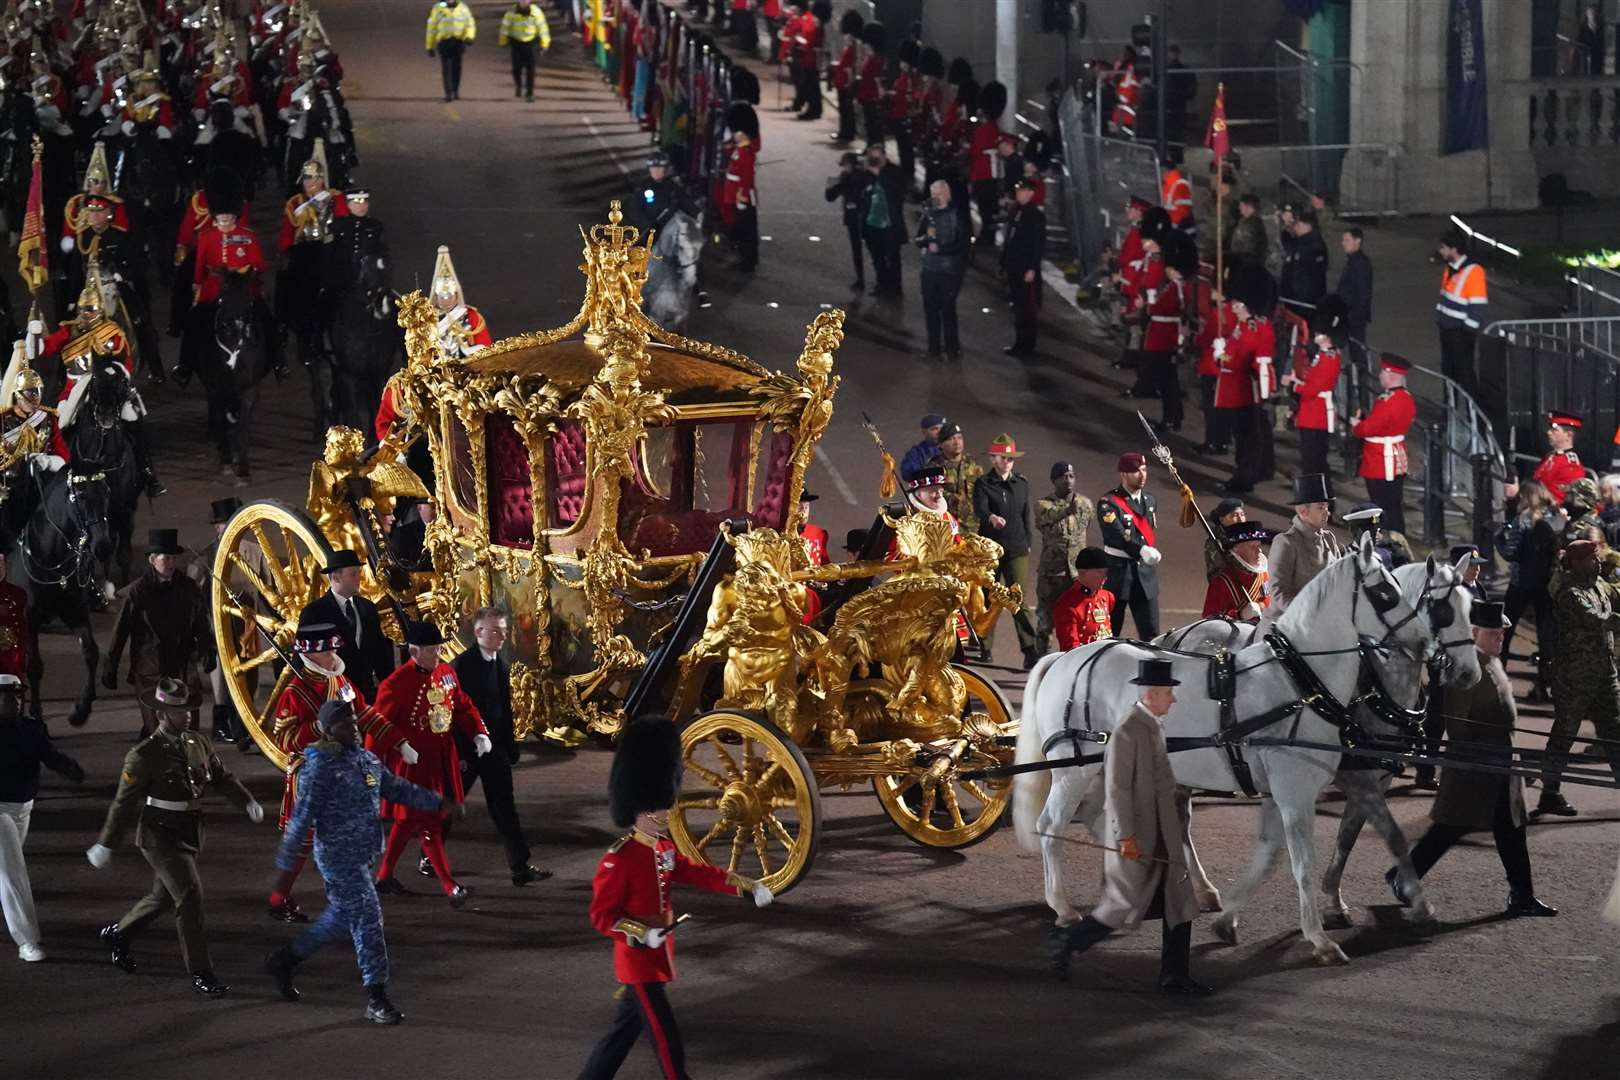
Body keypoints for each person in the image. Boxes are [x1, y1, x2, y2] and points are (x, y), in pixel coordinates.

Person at [577, 718, 773, 1080]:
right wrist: (640, 934)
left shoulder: (662, 848)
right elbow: (602, 916)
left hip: (656, 957)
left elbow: (695, 872)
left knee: (621, 1036)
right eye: (657, 809)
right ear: (638, 810)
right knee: (667, 1041)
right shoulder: (617, 858)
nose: (666, 813)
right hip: (638, 962)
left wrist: (744, 886)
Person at [266, 698, 450, 1024]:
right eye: (345, 724)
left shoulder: (365, 760)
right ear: (327, 730)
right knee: (369, 920)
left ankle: (284, 961)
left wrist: (438, 802)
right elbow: (301, 818)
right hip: (338, 859)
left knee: (339, 919)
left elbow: (396, 789)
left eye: (354, 721)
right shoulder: (319, 769)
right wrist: (284, 868)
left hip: (362, 854)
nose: (354, 728)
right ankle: (376, 998)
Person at [87, 678, 263, 997]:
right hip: (159, 836)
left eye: (190, 710)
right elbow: (124, 802)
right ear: (162, 714)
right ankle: (201, 971)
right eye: (181, 711)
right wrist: (106, 843)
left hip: (190, 831)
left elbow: (221, 777)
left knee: (163, 896)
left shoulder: (197, 742)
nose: (189, 716)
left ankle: (120, 933)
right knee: (190, 895)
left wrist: (246, 800)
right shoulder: (144, 754)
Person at [1049, 658, 1210, 995]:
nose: (1174, 700)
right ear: (1152, 694)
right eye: (1169, 693)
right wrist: (1126, 837)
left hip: (1162, 832)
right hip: (1138, 835)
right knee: (1118, 907)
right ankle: (1067, 943)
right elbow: (1118, 789)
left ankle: (1174, 976)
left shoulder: (1151, 725)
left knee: (1179, 903)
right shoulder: (1128, 730)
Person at [1389, 601, 1557, 917]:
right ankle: (1403, 875)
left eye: (1502, 633)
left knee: (1511, 829)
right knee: (1449, 829)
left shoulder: (1491, 660)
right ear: (1474, 632)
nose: (1500, 638)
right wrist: (1478, 761)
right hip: (1476, 767)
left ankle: (1522, 895)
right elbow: (1457, 724)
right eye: (1493, 633)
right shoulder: (1467, 668)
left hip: (1501, 762)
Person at [266, 624, 414, 923]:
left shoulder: (342, 682)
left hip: (343, 773)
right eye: (327, 650)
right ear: (310, 654)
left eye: (333, 648)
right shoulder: (294, 692)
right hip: (311, 774)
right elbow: (284, 740)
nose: (333, 653)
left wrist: (398, 741)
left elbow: (365, 713)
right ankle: (278, 897)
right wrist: (317, 729)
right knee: (303, 843)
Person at [372, 622, 492, 906]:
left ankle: (384, 876)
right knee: (429, 823)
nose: (438, 653)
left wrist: (479, 731)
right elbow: (377, 728)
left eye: (439, 647)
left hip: (440, 761)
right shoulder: (395, 685)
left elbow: (463, 705)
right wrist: (376, 766)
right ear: (414, 651)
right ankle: (450, 887)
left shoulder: (447, 673)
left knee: (408, 820)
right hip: (412, 765)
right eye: (431, 649)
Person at [446, 607, 548, 886]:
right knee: (449, 802)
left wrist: (510, 746)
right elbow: (451, 715)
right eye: (495, 630)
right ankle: (428, 857)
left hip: (495, 749)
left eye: (503, 630)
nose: (501, 635)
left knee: (505, 807)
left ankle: (520, 866)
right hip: (467, 751)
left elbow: (504, 710)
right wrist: (461, 755)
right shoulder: (460, 667)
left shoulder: (501, 664)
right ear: (478, 632)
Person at [0, 674, 83, 963]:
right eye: (8, 696)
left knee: (6, 867)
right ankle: (27, 940)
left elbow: (50, 756)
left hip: (23, 808)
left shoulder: (31, 729)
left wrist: (70, 768)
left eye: (18, 695)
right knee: (12, 872)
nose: (16, 700)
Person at [1536, 540, 1620, 817]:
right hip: (1575, 678)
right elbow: (1599, 620)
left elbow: (1615, 593)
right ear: (1576, 563)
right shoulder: (1570, 594)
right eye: (1592, 559)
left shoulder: (1598, 585)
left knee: (1616, 732)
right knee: (1564, 735)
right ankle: (1550, 793)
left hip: (1605, 674)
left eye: (1597, 558)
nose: (1598, 563)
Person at [105, 531, 213, 737]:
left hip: (182, 668)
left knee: (189, 728)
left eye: (174, 557)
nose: (171, 562)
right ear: (153, 560)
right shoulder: (138, 592)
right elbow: (121, 631)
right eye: (166, 557)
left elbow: (201, 623)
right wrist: (111, 666)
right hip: (150, 670)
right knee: (158, 729)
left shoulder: (188, 588)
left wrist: (207, 650)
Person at [973, 434, 1040, 668]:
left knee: (1018, 598)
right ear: (993, 459)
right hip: (991, 550)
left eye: (1010, 458)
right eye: (1003, 458)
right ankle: (984, 644)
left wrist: (1028, 541)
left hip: (1016, 548)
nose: (1007, 462)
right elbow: (980, 508)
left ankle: (1030, 648)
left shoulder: (1021, 483)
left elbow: (1025, 515)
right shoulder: (983, 484)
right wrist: (991, 517)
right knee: (989, 598)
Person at [1214, 265, 1278, 494]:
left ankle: (1244, 477)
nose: (1234, 308)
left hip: (1247, 387)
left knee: (1247, 435)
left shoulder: (1255, 326)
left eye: (1238, 305)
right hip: (1241, 386)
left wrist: (1222, 356)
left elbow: (1244, 356)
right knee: (1253, 431)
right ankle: (1261, 468)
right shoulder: (1245, 324)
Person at [298, 550, 396, 699]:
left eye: (359, 573)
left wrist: (391, 691)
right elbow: (302, 660)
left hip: (367, 697)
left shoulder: (368, 608)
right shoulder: (313, 613)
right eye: (353, 574)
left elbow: (380, 654)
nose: (359, 578)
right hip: (332, 698)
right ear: (336, 577)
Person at [1499, 479, 1562, 700]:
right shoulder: (1557, 519)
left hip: (1520, 583)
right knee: (1546, 637)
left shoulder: (1523, 520)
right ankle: (1544, 685)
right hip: (1547, 585)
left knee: (1504, 630)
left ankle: (1497, 679)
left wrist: (1499, 538)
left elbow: (1510, 552)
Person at [1349, 353, 1416, 538]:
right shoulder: (1406, 398)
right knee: (1393, 504)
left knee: (1382, 503)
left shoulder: (1389, 401)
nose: (1380, 375)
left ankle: (1388, 541)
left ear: (1391, 374)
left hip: (1381, 459)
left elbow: (1372, 427)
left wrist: (1357, 426)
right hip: (1395, 455)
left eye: (1383, 372)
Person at [1263, 473, 1343, 622]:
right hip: (1285, 622)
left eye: (1327, 507)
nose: (1328, 512)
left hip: (1322, 618)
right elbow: (1277, 591)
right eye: (1321, 508)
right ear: (1303, 511)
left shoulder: (1329, 538)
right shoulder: (1286, 542)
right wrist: (1306, 612)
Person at [1283, 295, 1346, 478]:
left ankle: (1323, 500)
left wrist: (1294, 385)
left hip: (1317, 413)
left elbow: (1312, 389)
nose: (1315, 335)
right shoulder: (1324, 356)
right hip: (1312, 411)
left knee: (1315, 461)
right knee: (1311, 460)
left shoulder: (1328, 359)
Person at [1099, 452, 1161, 639]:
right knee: (1109, 633)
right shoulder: (1108, 503)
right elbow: (1116, 534)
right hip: (1118, 574)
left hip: (1145, 576)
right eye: (1135, 471)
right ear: (1123, 474)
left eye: (1143, 469)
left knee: (1152, 635)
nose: (1142, 475)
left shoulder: (1150, 501)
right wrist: (1141, 550)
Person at [1035, 462, 1094, 653]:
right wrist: (1068, 510)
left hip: (1077, 573)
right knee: (1046, 619)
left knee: (1080, 616)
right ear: (1054, 480)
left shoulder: (1085, 504)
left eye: (1071, 476)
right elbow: (1048, 517)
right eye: (1063, 476)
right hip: (1052, 572)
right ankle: (1041, 658)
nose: (1068, 480)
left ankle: (1075, 655)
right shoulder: (1043, 505)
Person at [1143, 230, 1195, 432]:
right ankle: (1172, 416)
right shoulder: (1172, 285)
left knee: (1167, 380)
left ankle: (1171, 418)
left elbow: (1163, 308)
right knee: (1165, 379)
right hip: (1160, 333)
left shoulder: (1178, 287)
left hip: (1167, 335)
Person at [914, 179, 967, 360]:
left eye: (939, 194)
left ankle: (952, 349)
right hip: (929, 268)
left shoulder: (956, 215)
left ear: (947, 194)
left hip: (949, 270)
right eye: (933, 194)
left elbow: (962, 244)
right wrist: (926, 242)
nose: (935, 197)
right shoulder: (928, 214)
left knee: (947, 309)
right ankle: (933, 348)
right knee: (930, 309)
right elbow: (917, 238)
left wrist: (942, 249)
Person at [1435, 228, 1488, 393]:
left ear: (1454, 249)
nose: (1440, 251)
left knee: (1465, 375)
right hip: (1447, 330)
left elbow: (1478, 306)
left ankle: (1476, 415)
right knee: (1448, 374)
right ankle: (1449, 412)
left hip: (1460, 333)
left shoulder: (1473, 271)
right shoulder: (1450, 269)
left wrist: (1467, 332)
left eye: (1443, 248)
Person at [1002, 178, 1045, 357]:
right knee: (1018, 308)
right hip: (1014, 266)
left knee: (1027, 309)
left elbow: (1037, 244)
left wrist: (1032, 268)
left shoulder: (1035, 215)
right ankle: (1019, 343)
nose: (1019, 194)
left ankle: (1027, 346)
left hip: (1025, 268)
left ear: (1030, 193)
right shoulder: (1016, 210)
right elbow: (1010, 238)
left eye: (1022, 191)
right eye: (1018, 191)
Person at [1510, 411, 1585, 507]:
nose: (1548, 432)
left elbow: (1564, 500)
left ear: (1569, 435)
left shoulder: (1571, 465)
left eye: (1555, 430)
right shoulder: (1550, 457)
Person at [859, 144, 905, 298]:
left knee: (892, 256)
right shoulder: (865, 174)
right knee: (877, 256)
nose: (874, 160)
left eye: (877, 157)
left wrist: (877, 174)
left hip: (890, 223)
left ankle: (895, 287)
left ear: (884, 156)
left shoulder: (894, 172)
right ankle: (882, 284)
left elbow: (897, 192)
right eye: (872, 157)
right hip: (872, 222)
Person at [1203, 521, 1271, 621]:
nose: (1259, 551)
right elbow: (1209, 617)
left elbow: (1270, 598)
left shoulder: (1264, 574)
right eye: (1253, 546)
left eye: (1259, 546)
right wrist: (1239, 615)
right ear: (1238, 550)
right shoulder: (1222, 582)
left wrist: (1261, 605)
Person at [720, 103, 760, 273]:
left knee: (746, 229)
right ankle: (745, 257)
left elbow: (746, 177)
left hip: (741, 196)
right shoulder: (740, 150)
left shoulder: (744, 152)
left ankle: (747, 260)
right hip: (736, 194)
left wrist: (742, 196)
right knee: (742, 227)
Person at [823, 152, 871, 293]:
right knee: (857, 249)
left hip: (861, 217)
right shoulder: (847, 177)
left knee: (869, 249)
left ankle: (864, 279)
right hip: (853, 218)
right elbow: (831, 196)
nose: (845, 167)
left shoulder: (860, 177)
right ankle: (860, 279)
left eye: (847, 165)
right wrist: (830, 186)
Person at [1051, 547, 1114, 650]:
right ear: (1083, 572)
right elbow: (1070, 648)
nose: (1105, 577)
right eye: (1099, 572)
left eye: (1105, 572)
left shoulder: (1107, 597)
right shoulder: (1067, 604)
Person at [425, 0, 476, 102]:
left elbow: (470, 24)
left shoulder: (463, 8)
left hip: (458, 42)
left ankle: (455, 90)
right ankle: (448, 93)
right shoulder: (438, 8)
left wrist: (469, 36)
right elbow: (431, 28)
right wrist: (429, 46)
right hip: (444, 42)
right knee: (446, 69)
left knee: (456, 68)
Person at [1278, 210, 1328, 314]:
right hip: (1293, 299)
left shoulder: (1315, 246)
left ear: (1308, 226)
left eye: (1298, 225)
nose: (1295, 228)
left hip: (1304, 302)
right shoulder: (1302, 241)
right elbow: (1289, 245)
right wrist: (1286, 227)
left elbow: (1310, 278)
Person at [498, 1, 550, 101]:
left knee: (531, 69)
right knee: (516, 68)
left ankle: (530, 93)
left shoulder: (536, 13)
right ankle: (519, 85)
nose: (524, 1)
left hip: (531, 43)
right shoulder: (511, 13)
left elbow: (543, 29)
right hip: (516, 43)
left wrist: (545, 44)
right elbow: (504, 28)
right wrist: (503, 41)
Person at [1336, 227, 1373, 359]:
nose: (1343, 243)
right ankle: (1356, 374)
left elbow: (1362, 292)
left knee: (1356, 348)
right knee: (1354, 348)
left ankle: (1360, 375)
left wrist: (1354, 313)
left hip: (1355, 315)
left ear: (1357, 241)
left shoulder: (1360, 263)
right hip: (1351, 313)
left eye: (1347, 240)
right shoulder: (1353, 261)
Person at [829, 10, 863, 144]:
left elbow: (852, 64)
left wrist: (850, 81)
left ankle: (846, 133)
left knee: (845, 109)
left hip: (845, 80)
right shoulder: (854, 42)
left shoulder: (854, 43)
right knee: (844, 109)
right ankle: (845, 132)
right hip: (843, 78)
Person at [1203, 497, 1246, 581]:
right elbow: (1223, 565)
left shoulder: (1245, 537)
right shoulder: (1215, 542)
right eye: (1234, 516)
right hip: (1227, 586)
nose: (1241, 520)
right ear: (1222, 520)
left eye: (1242, 515)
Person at [1226, 193, 1267, 272]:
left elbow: (1248, 251)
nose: (1239, 208)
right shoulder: (1244, 222)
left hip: (1246, 267)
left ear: (1249, 207)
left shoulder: (1252, 225)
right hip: (1240, 264)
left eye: (1241, 205)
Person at [901, 413, 947, 478]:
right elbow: (908, 473)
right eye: (935, 429)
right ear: (924, 431)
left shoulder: (953, 447)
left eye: (942, 428)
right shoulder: (917, 453)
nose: (940, 432)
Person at [795, 493, 829, 566]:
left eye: (806, 507)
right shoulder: (779, 536)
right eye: (799, 507)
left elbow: (825, 564)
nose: (804, 511)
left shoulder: (819, 533)